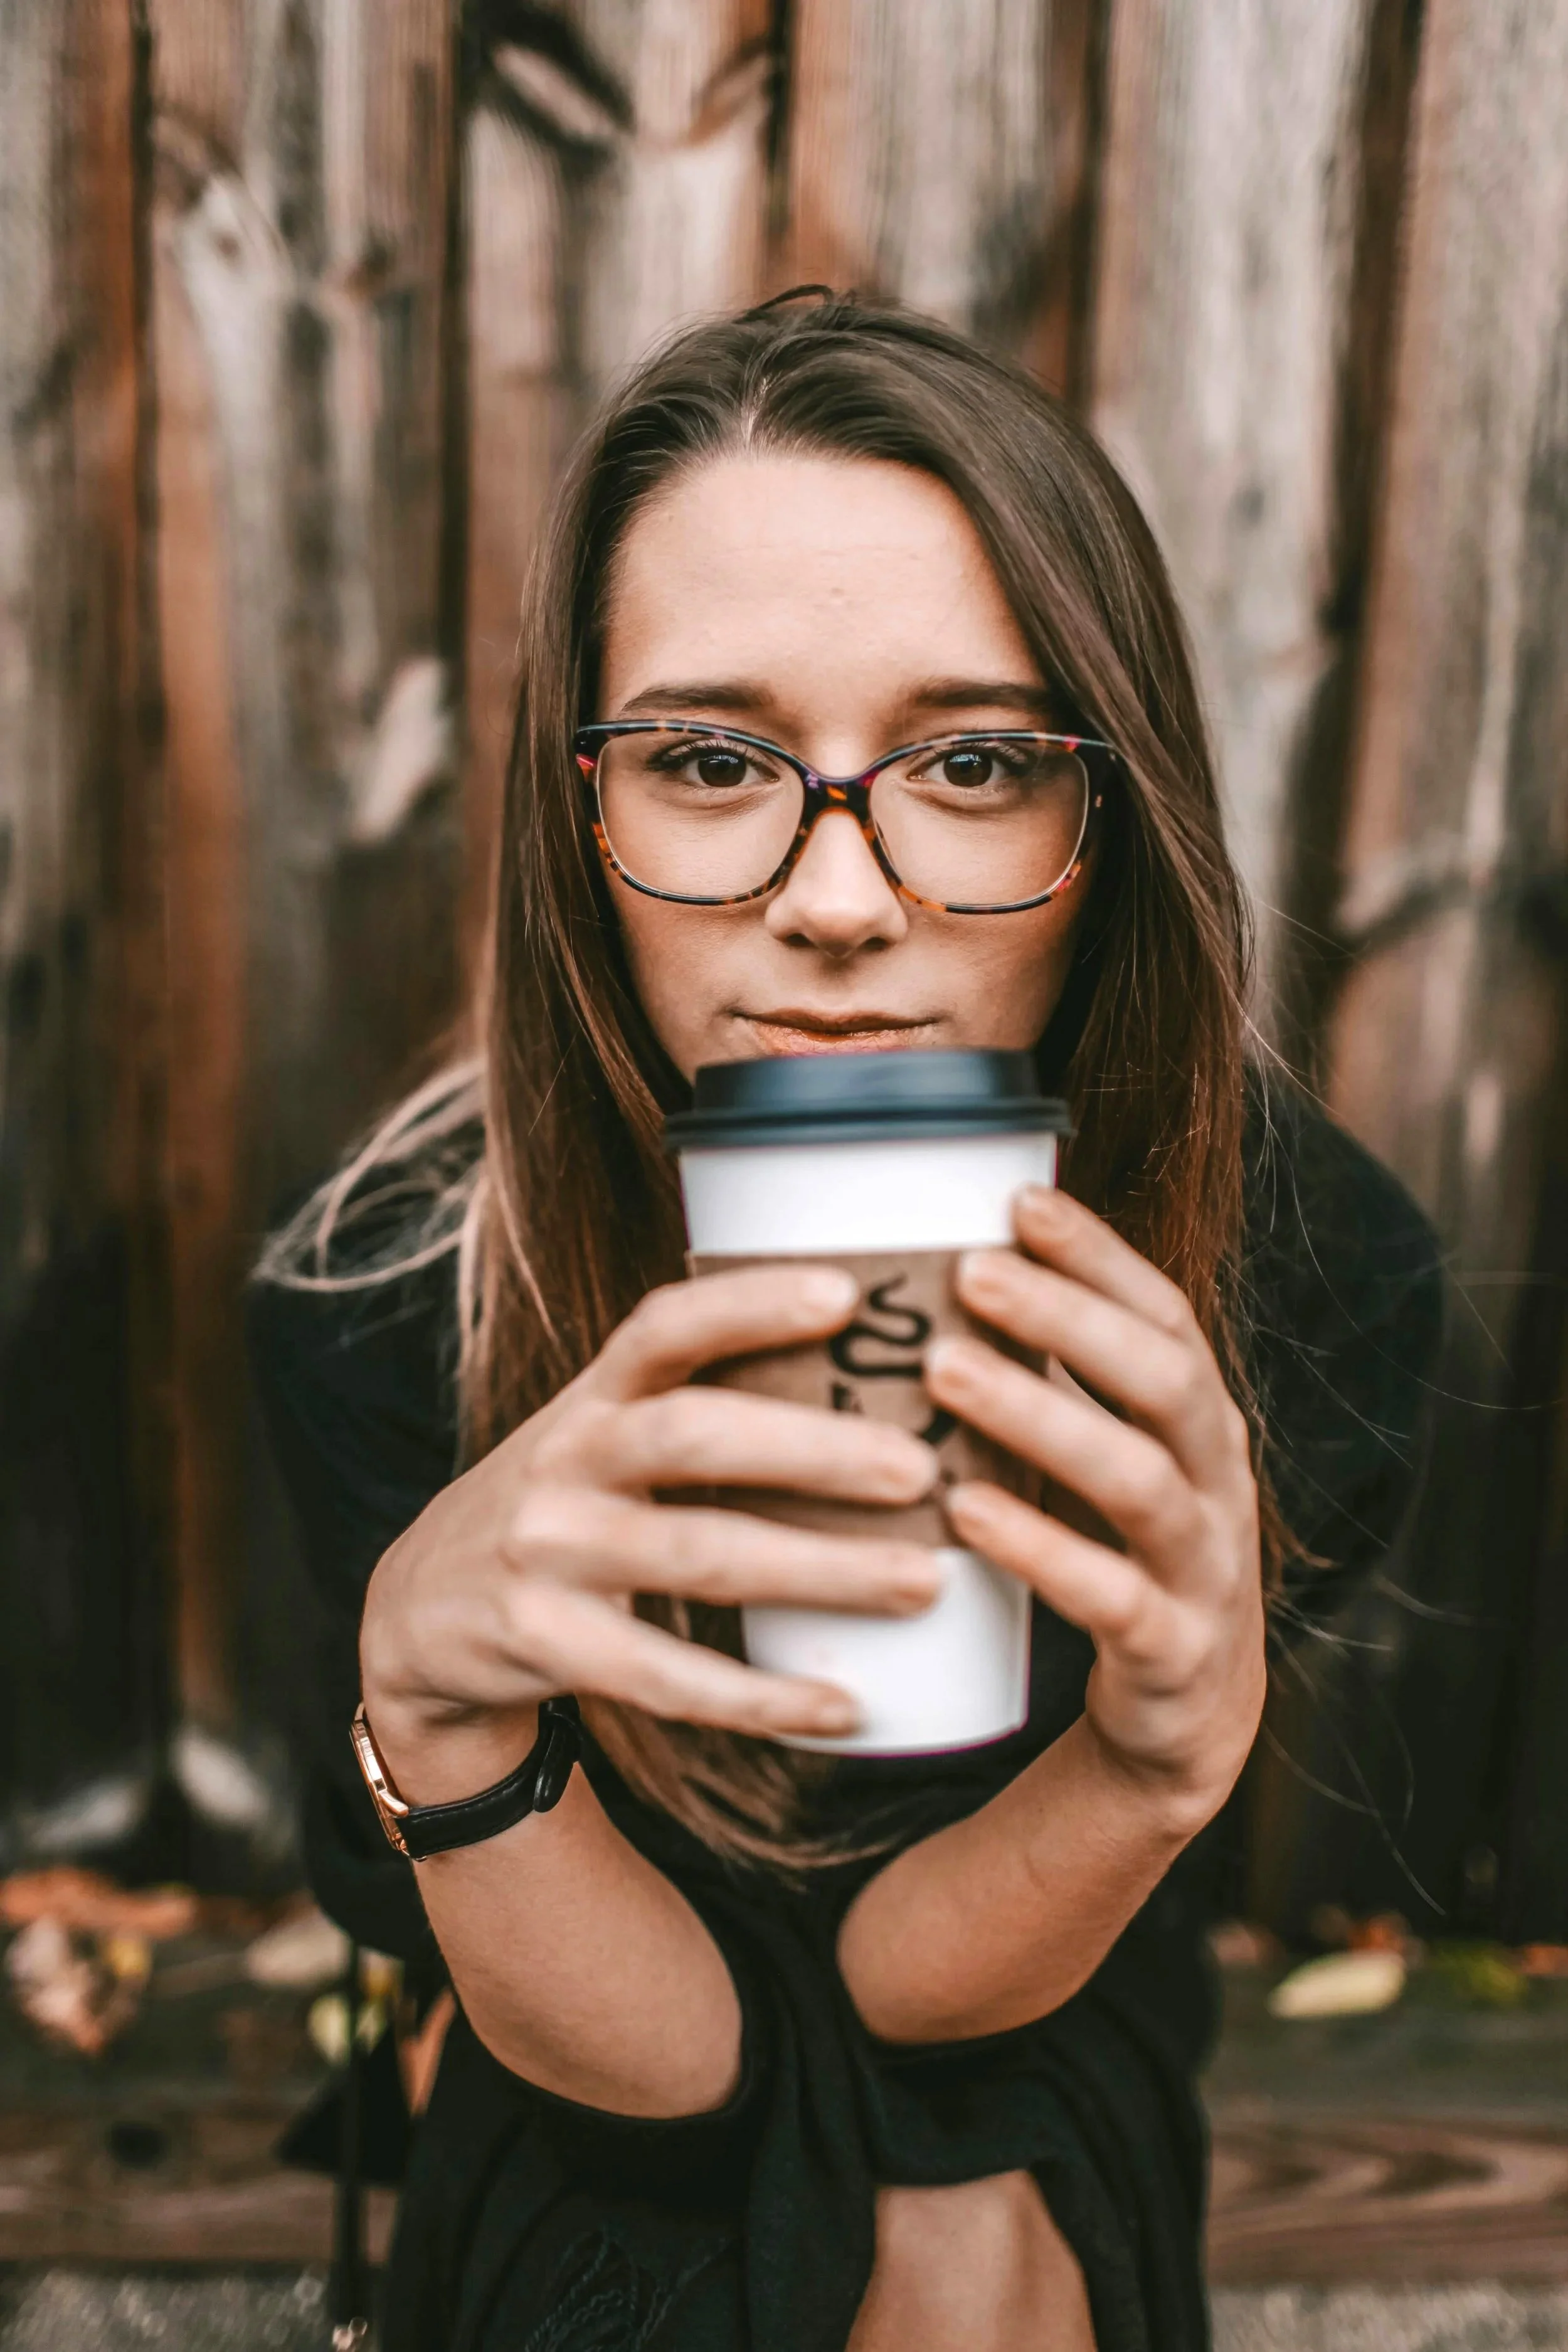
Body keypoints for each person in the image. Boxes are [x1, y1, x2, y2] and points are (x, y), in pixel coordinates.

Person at [250, 292, 1442, 2352]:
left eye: (971, 760)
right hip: (570, 2009)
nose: (834, 894)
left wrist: (1147, 1771)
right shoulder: (388, 1290)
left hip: (1029, 1966)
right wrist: (436, 1716)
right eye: (711, 758)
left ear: (1109, 819)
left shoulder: (1298, 1272)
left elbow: (922, 1985)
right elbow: (656, 2072)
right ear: (580, 822)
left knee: (964, 2282)